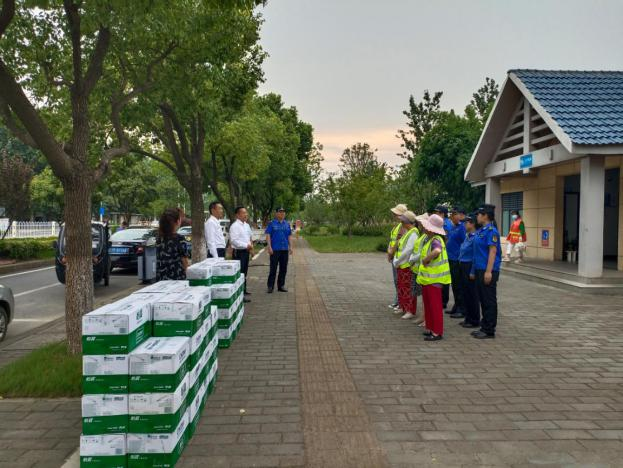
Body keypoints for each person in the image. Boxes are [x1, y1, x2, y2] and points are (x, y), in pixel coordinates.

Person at [417, 214, 451, 341]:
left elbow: (437, 251)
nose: (424, 228)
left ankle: (437, 332)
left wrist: (426, 259)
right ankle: (431, 328)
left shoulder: (436, 240)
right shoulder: (431, 239)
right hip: (428, 280)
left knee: (435, 307)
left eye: (426, 226)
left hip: (434, 280)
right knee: (429, 306)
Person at [470, 204, 502, 339]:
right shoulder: (481, 231)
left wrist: (488, 272)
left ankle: (489, 329)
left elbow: (492, 252)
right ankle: (484, 326)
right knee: (483, 299)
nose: (477, 216)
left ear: (485, 216)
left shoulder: (491, 231)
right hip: (479, 268)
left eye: (479, 214)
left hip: (488, 269)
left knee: (489, 300)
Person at [391, 211, 419, 320]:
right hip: (402, 265)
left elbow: (408, 250)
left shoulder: (413, 233)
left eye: (403, 221)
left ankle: (410, 310)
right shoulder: (408, 232)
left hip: (407, 266)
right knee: (402, 287)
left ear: (407, 221)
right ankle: (403, 307)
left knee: (408, 289)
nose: (401, 223)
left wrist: (397, 260)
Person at [458, 214, 480, 329]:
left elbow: (476, 256)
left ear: (472, 224)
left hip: (469, 266)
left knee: (472, 295)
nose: (464, 225)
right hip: (463, 265)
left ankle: (474, 320)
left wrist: (472, 271)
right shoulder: (468, 236)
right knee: (465, 293)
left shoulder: (475, 237)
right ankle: (468, 318)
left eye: (466, 223)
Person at [156, 208, 190, 281]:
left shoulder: (159, 238)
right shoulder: (180, 238)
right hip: (177, 278)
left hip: (161, 279)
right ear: (178, 221)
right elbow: (185, 261)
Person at [408, 213, 430, 326]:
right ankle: (423, 317)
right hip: (418, 268)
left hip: (424, 269)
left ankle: (426, 318)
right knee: (423, 296)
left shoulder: (427, 237)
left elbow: (423, 252)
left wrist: (412, 259)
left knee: (426, 297)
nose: (419, 224)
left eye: (421, 222)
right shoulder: (423, 235)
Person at [265, 207, 293, 293]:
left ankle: (281, 286)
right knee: (273, 268)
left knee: (283, 268)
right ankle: (270, 286)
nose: (282, 213)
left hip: (284, 249)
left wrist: (291, 247)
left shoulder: (287, 224)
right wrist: (269, 247)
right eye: (280, 212)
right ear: (276, 213)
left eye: (283, 212)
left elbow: (289, 236)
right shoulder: (272, 223)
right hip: (275, 249)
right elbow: (268, 235)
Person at [446, 207, 467, 319]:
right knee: (454, 285)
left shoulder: (462, 227)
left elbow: (464, 243)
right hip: (451, 258)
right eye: (452, 214)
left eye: (454, 214)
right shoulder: (454, 227)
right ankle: (456, 305)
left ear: (460, 215)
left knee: (458, 285)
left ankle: (461, 308)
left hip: (457, 259)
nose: (452, 216)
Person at [387, 204, 408, 310]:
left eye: (396, 213)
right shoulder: (398, 226)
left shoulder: (404, 227)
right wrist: (389, 252)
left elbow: (399, 242)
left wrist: (391, 253)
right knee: (397, 280)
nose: (394, 215)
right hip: (395, 256)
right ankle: (398, 300)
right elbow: (392, 240)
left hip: (399, 257)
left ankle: (400, 302)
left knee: (399, 280)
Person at [230, 206, 253, 302]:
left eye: (246, 213)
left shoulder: (246, 225)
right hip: (239, 252)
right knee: (240, 273)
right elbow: (234, 241)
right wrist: (246, 245)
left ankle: (244, 290)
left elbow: (249, 237)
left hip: (246, 251)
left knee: (244, 272)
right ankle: (240, 294)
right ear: (237, 215)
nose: (246, 214)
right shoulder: (235, 226)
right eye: (243, 213)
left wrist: (251, 247)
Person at [433, 205, 452, 310]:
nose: (436, 214)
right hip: (443, 252)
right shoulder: (442, 222)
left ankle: (443, 301)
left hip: (445, 253)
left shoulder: (446, 224)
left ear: (443, 214)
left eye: (438, 212)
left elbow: (446, 239)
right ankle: (442, 300)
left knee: (443, 278)